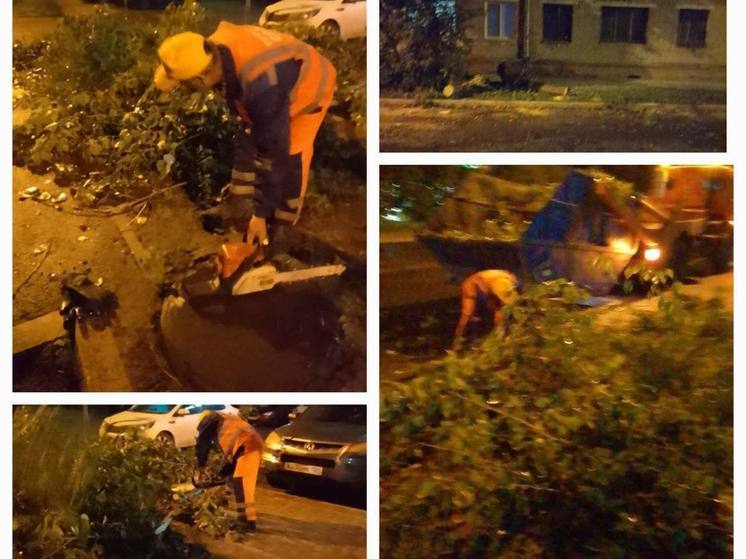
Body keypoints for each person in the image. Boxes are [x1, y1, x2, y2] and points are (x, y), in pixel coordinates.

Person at [153, 22, 337, 248]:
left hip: (310, 86)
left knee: (289, 157)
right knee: (249, 131)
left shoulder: (261, 85)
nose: (182, 88)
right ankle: (238, 204)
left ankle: (282, 228)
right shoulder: (209, 50)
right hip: (274, 79)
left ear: (201, 78)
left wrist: (260, 215)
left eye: (183, 84)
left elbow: (273, 151)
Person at [195, 410, 264, 533]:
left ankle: (244, 522)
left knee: (241, 484)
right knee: (244, 485)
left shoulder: (210, 417)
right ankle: (249, 521)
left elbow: (203, 441)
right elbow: (232, 461)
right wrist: (221, 475)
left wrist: (201, 465)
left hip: (247, 445)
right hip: (252, 445)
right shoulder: (228, 421)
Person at [452, 269, 519, 349]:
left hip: (500, 283)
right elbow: (497, 309)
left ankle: (505, 336)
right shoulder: (483, 280)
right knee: (505, 309)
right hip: (507, 279)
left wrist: (459, 334)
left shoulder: (468, 285)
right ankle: (502, 337)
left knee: (514, 308)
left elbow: (467, 314)